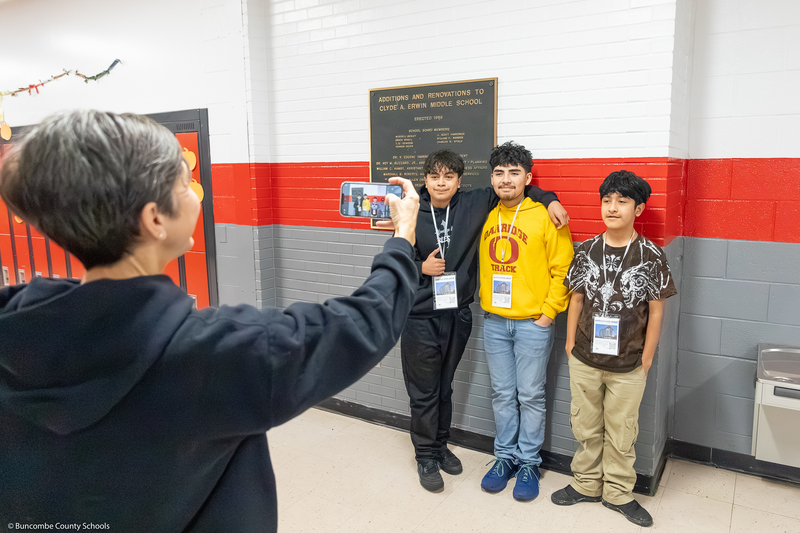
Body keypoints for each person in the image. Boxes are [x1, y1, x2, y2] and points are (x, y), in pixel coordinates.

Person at [0, 110, 420, 532]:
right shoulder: (221, 354)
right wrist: (402, 238)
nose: (196, 196)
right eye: (185, 183)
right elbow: (367, 321)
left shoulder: (15, 331)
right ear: (155, 219)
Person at [402, 149, 569, 492]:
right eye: (434, 176)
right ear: (425, 180)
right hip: (429, 316)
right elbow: (391, 258)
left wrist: (550, 198)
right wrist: (419, 268)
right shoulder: (412, 211)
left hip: (466, 315)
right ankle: (430, 455)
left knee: (459, 389)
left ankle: (516, 462)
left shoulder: (481, 205)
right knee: (441, 392)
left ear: (461, 182)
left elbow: (516, 191)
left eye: (449, 176)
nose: (441, 182)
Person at [551, 170, 676, 527]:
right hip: (585, 358)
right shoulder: (587, 249)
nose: (612, 207)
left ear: (638, 209)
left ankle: (618, 493)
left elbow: (656, 310)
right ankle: (586, 484)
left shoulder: (651, 255)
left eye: (622, 201)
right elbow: (575, 299)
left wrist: (647, 358)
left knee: (622, 432)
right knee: (585, 426)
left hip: (629, 363)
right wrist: (570, 342)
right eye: (607, 200)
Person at [478, 141, 573, 501]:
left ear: (527, 178)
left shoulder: (547, 214)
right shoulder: (484, 211)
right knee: (503, 394)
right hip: (494, 321)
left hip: (533, 322)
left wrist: (548, 315)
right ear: (492, 178)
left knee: (530, 395)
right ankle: (504, 458)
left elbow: (562, 268)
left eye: (514, 173)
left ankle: (529, 461)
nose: (506, 180)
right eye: (499, 173)